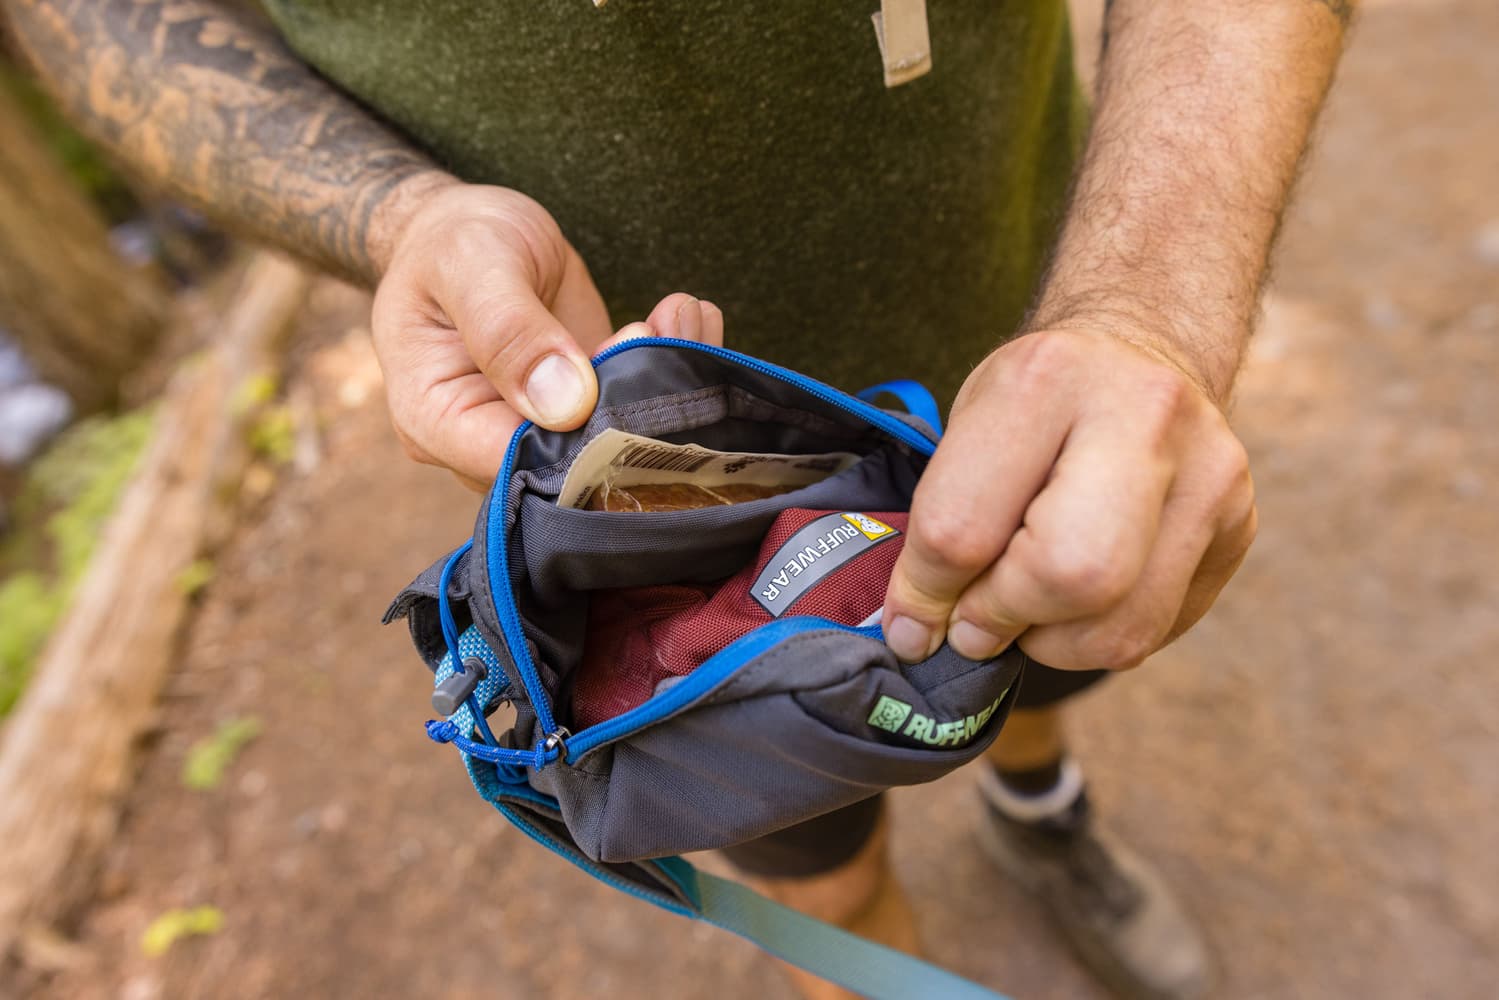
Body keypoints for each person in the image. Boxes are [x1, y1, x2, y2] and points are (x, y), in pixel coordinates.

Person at [3, 1, 1353, 996]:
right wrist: (398, 218)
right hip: (604, 460)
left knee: (1041, 655)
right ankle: (873, 932)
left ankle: (1041, 812)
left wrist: (1151, 312)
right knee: (807, 843)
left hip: (1032, 287)